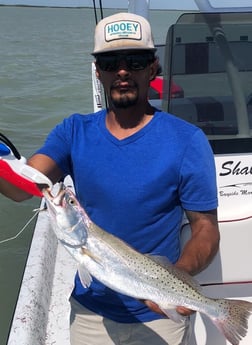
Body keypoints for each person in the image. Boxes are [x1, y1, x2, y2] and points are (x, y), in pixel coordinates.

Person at [0, 12, 220, 345]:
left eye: (134, 61)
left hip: (160, 317)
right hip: (91, 314)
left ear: (152, 69)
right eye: (109, 62)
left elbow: (205, 228)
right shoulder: (73, 131)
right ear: (97, 71)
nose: (121, 71)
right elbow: (23, 188)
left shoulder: (187, 141)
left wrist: (179, 278)